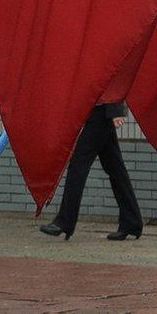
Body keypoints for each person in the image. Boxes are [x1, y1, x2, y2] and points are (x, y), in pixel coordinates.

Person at [39, 102, 143, 241]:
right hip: (98, 111)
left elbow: (114, 81)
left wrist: (116, 110)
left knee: (78, 165)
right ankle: (132, 221)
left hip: (101, 113)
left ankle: (65, 221)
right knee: (116, 170)